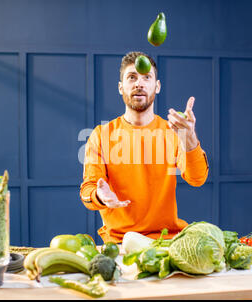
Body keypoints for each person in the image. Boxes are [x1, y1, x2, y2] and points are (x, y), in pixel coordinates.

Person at [79, 51, 209, 243]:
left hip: (167, 240)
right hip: (119, 243)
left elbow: (197, 178)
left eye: (146, 77)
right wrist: (99, 195)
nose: (139, 83)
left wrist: (189, 137)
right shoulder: (100, 135)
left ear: (156, 86)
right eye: (132, 77)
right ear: (120, 87)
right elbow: (87, 192)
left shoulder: (173, 132)